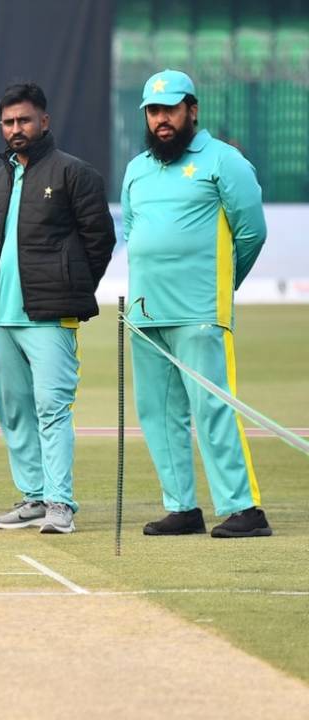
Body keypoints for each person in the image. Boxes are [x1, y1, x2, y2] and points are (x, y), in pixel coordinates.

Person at [121, 69, 271, 538]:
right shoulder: (137, 169)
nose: (161, 120)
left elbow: (252, 232)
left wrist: (220, 288)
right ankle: (182, 507)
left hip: (200, 312)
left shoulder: (224, 161)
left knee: (212, 407)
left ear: (192, 110)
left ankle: (244, 508)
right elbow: (133, 234)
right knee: (157, 414)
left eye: (170, 109)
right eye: (153, 111)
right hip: (146, 314)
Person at [0, 83, 116, 535]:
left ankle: (61, 503)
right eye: (8, 122)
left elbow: (101, 241)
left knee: (52, 409)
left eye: (24, 120)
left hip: (50, 316)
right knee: (15, 411)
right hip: (3, 316)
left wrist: (71, 288)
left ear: (44, 121)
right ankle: (34, 497)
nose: (16, 129)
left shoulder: (75, 173)